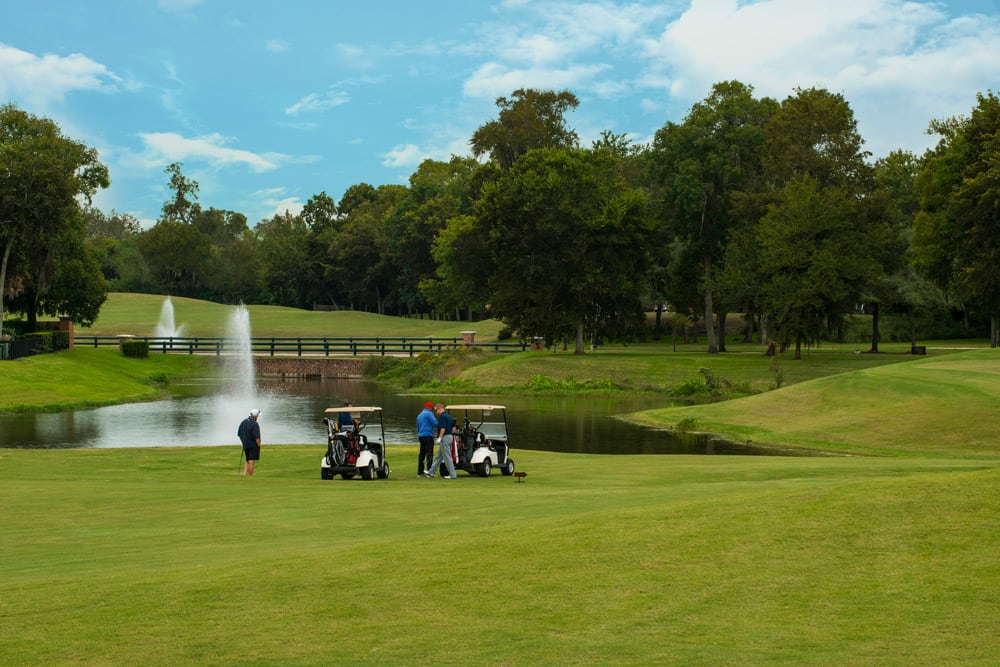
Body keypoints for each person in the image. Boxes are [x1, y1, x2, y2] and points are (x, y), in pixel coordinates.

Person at [422, 403, 456, 479]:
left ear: (440, 408)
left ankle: (453, 475)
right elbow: (454, 428)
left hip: (445, 437)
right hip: (449, 436)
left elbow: (443, 428)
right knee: (439, 456)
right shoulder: (448, 416)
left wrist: (440, 437)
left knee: (447, 457)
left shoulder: (442, 416)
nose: (436, 412)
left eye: (436, 410)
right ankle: (431, 472)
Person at [237, 408, 262, 476]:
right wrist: (259, 444)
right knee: (251, 460)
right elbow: (257, 436)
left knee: (247, 460)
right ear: (255, 416)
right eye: (257, 415)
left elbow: (239, 434)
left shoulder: (243, 422)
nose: (258, 417)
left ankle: (245, 474)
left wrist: (244, 441)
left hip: (245, 444)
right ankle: (251, 476)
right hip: (253, 445)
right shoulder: (254, 424)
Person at [416, 401, 437, 476]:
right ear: (429, 407)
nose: (432, 409)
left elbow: (417, 427)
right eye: (431, 407)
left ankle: (420, 472)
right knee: (429, 453)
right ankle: (430, 472)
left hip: (421, 435)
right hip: (428, 435)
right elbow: (435, 423)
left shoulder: (419, 415)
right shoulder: (429, 413)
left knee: (422, 453)